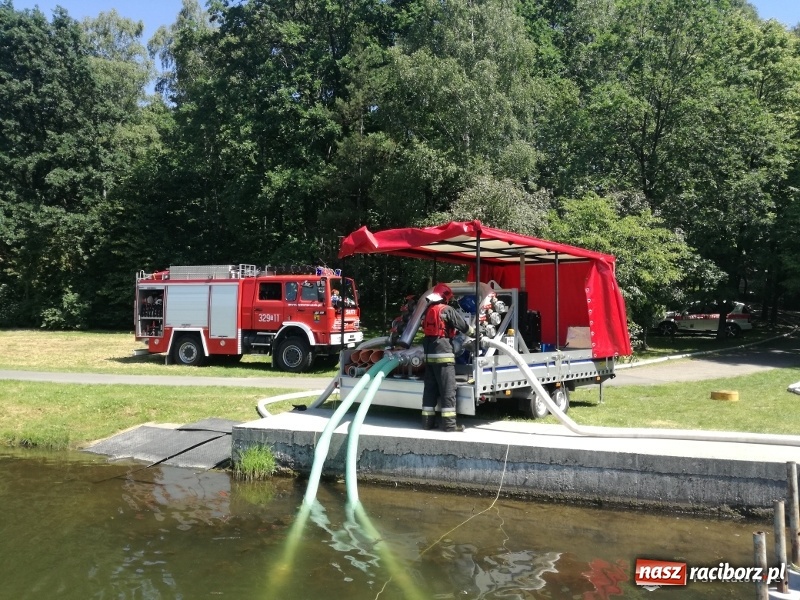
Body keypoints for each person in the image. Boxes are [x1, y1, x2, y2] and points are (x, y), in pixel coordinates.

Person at [421, 283, 474, 432]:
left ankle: (427, 423)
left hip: (428, 354)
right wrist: (476, 333)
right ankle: (450, 425)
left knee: (430, 390)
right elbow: (463, 326)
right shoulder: (447, 310)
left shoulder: (428, 310)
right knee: (448, 390)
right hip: (443, 355)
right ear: (445, 297)